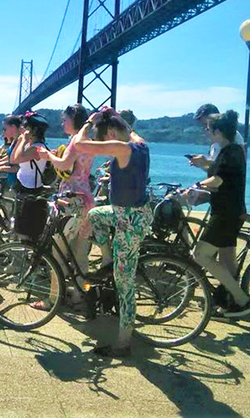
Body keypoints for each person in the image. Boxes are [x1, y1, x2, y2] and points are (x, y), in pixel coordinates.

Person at [74, 107, 153, 358]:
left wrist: (89, 121)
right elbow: (129, 131)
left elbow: (80, 144)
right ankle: (108, 259)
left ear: (110, 133)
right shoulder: (139, 143)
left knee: (125, 285)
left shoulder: (123, 148)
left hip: (129, 221)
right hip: (125, 212)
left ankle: (123, 343)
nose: (103, 144)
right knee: (94, 215)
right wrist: (114, 115)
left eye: (104, 138)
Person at [190, 111, 250, 318]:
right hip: (229, 211)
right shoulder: (230, 151)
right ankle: (230, 299)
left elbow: (218, 181)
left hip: (225, 214)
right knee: (227, 259)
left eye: (209, 128)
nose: (207, 132)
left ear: (218, 131)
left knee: (200, 255)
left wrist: (195, 186)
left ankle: (242, 300)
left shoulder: (230, 153)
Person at [36, 104, 94, 287]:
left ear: (73, 119)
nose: (62, 122)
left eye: (64, 119)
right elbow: (73, 164)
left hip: (69, 200)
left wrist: (47, 156)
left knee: (58, 251)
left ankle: (53, 297)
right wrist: (57, 156)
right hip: (86, 198)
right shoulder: (88, 141)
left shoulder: (75, 141)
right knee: (80, 252)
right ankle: (79, 294)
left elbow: (63, 165)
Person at [10, 112, 50, 243]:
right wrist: (22, 141)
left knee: (26, 229)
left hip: (30, 191)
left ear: (33, 130)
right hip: (23, 187)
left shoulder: (37, 148)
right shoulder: (30, 146)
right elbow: (13, 158)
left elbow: (15, 159)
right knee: (19, 225)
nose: (23, 129)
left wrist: (21, 140)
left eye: (26, 127)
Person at [189, 104, 245, 172]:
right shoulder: (215, 141)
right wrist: (201, 164)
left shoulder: (233, 137)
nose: (205, 128)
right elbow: (215, 171)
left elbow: (230, 168)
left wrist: (205, 162)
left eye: (206, 124)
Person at [0, 115, 22, 193]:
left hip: (15, 182)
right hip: (9, 180)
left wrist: (0, 168)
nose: (3, 131)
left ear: (13, 127)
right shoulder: (15, 141)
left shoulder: (20, 142)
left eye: (5, 129)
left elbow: (18, 164)